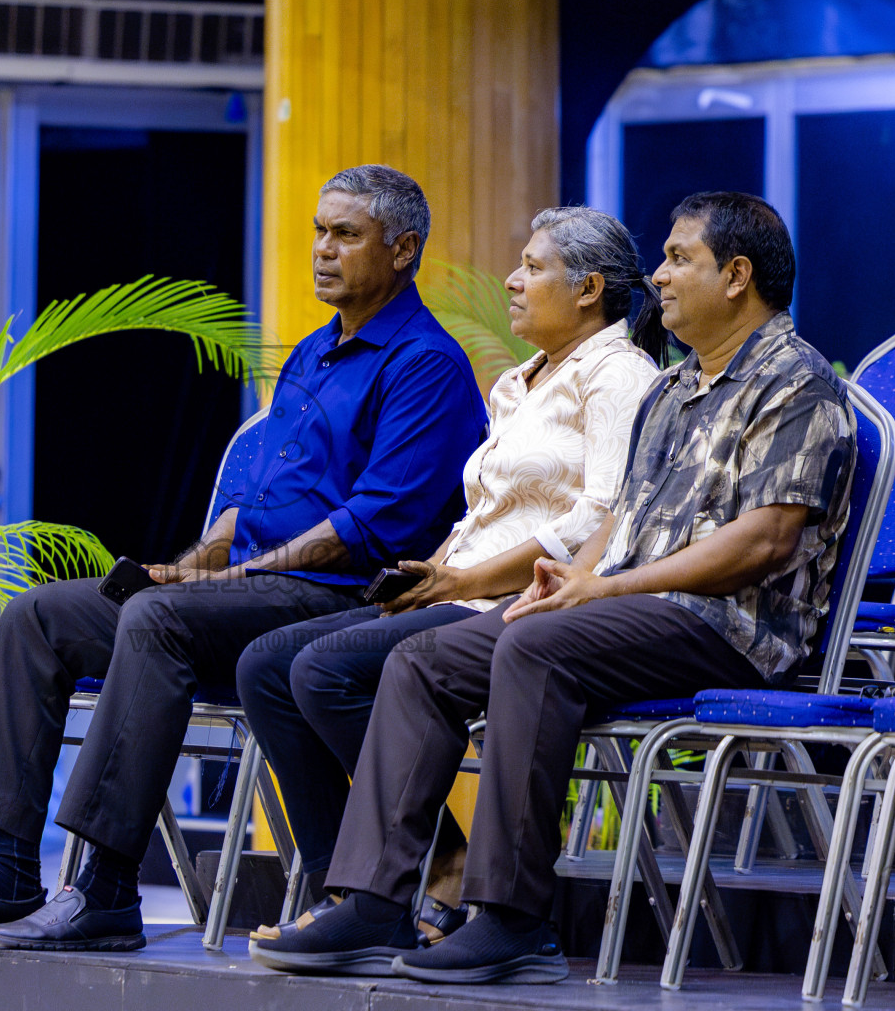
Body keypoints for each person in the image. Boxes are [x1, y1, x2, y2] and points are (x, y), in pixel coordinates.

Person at [250, 191, 856, 983]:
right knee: (425, 660)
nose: (659, 276)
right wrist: (576, 576)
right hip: (634, 609)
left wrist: (605, 590)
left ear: (736, 275)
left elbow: (766, 540)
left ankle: (510, 918)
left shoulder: (796, 381)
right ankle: (372, 902)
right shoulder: (676, 390)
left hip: (732, 628)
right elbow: (622, 515)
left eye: (679, 259)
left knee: (535, 647)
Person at [0, 164, 486, 952]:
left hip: (335, 602)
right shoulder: (311, 354)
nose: (323, 251)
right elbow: (247, 501)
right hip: (242, 596)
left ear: (402, 250)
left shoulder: (424, 365)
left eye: (346, 234)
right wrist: (196, 564)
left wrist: (229, 578)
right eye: (318, 231)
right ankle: (6, 874)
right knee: (39, 615)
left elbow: (370, 524)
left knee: (158, 620)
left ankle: (102, 890)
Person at [234, 206, 663, 938]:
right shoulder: (524, 383)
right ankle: (353, 884)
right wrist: (434, 569)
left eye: (532, 267)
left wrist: (463, 582)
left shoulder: (620, 375)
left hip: (517, 600)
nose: (512, 279)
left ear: (589, 289)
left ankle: (396, 886)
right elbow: (483, 515)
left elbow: (603, 518)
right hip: (460, 587)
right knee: (268, 665)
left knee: (324, 669)